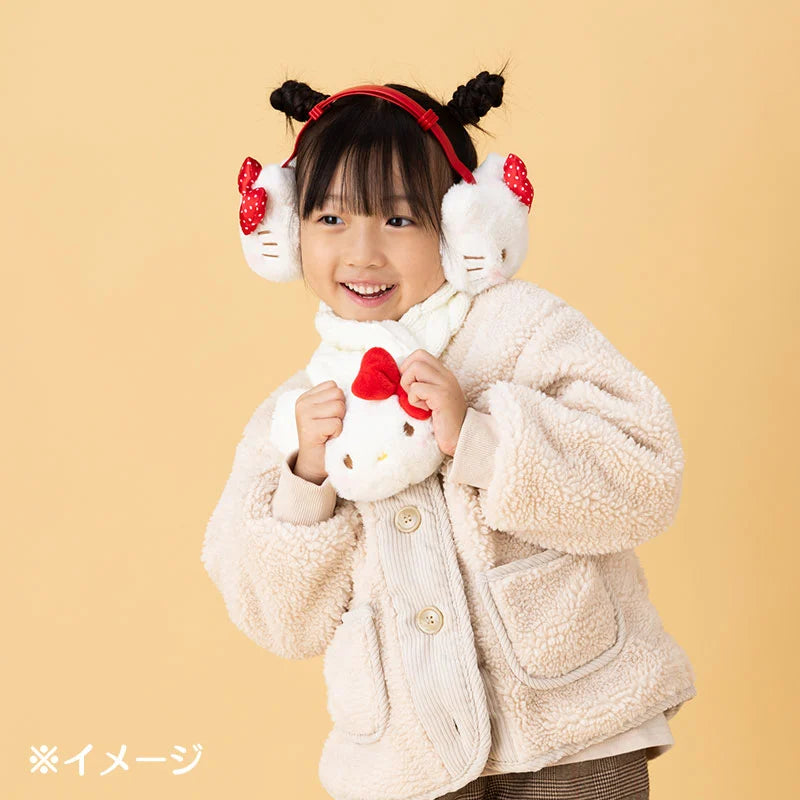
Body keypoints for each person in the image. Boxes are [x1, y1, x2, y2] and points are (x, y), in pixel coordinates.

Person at [201, 67, 696, 800]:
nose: (362, 252)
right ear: (286, 231)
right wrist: (306, 482)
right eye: (330, 219)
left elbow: (646, 473)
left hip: (573, 731)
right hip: (408, 765)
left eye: (399, 220)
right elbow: (275, 619)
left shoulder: (524, 330)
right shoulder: (293, 416)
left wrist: (482, 439)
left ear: (465, 226)